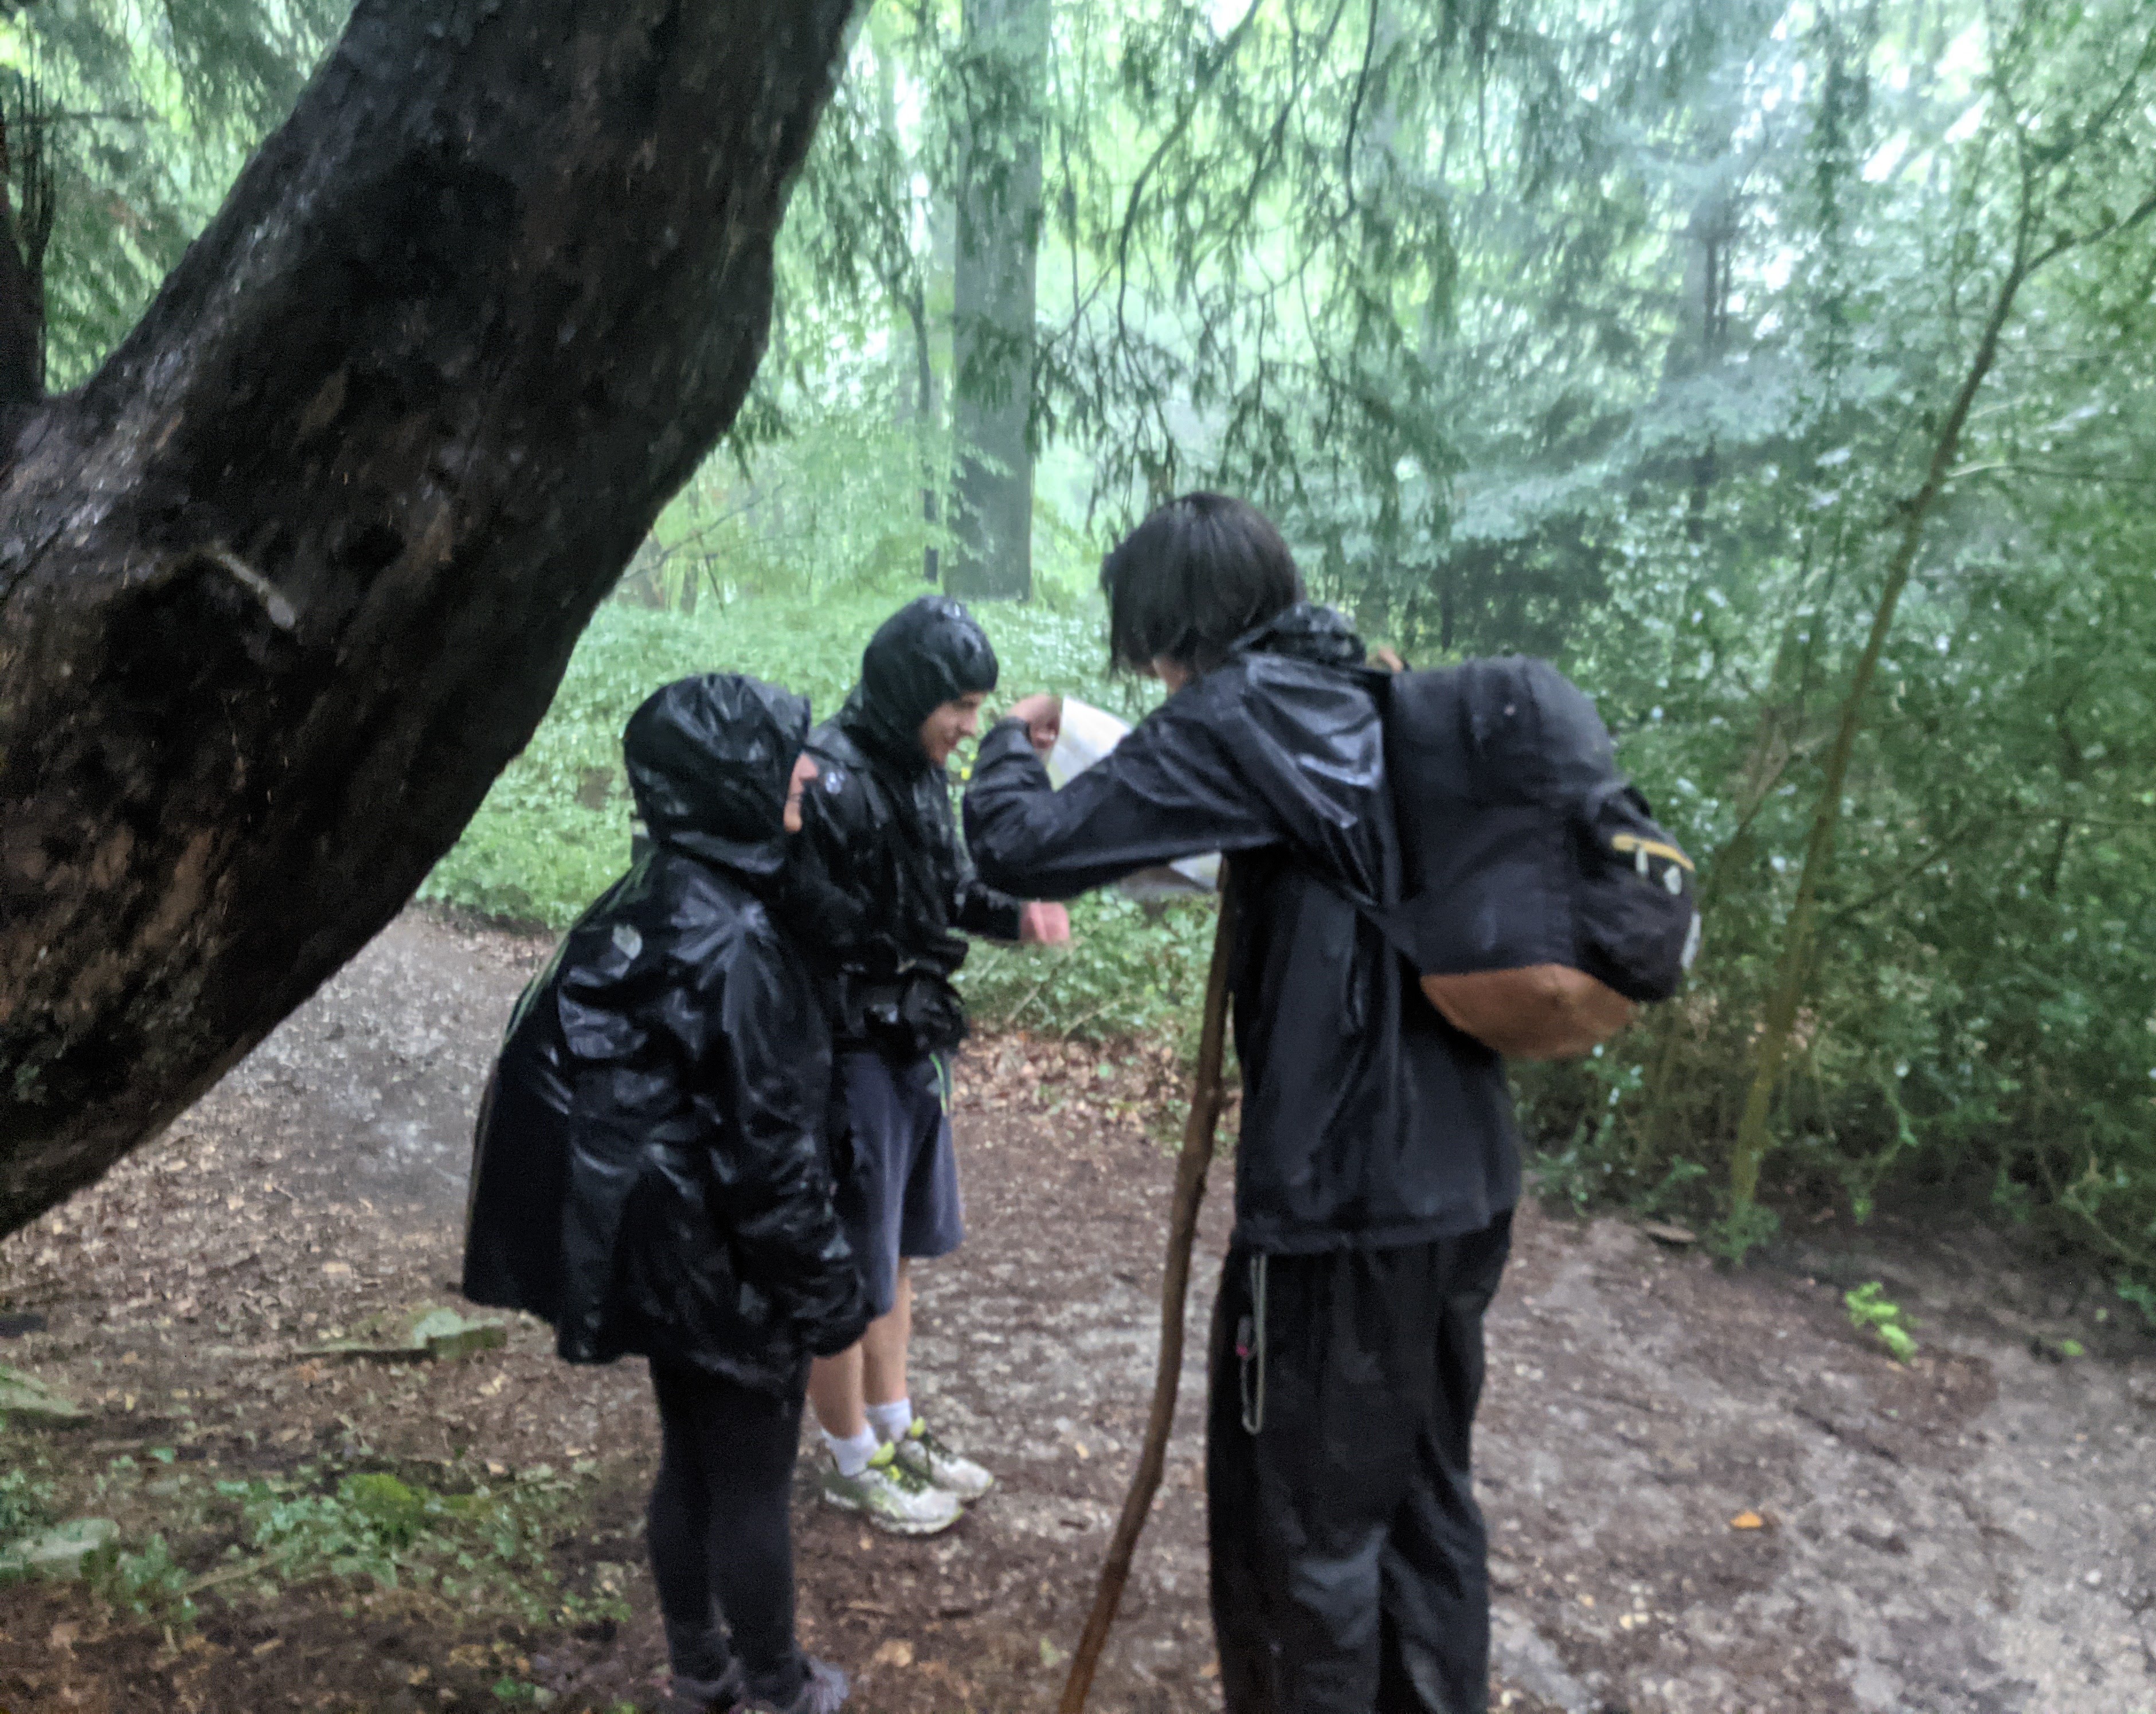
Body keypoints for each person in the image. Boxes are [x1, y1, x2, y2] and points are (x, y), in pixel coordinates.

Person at [961, 495, 1523, 1714]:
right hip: (1468, 1177)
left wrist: (1011, 739)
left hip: (1338, 1198)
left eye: (1152, 652)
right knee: (1427, 1503)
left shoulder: (1237, 714)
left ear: (1173, 633)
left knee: (1306, 1534)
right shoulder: (1377, 696)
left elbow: (1021, 846)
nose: (1154, 679)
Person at [463, 674, 869, 1714]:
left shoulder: (652, 894)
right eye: (785, 754)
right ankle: (777, 1687)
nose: (808, 770)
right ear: (732, 779)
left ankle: (702, 1672)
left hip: (665, 1261)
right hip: (724, 1265)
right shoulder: (736, 939)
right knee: (748, 1481)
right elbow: (769, 1152)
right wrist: (828, 1294)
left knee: (689, 1461)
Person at [797, 595, 1069, 1535]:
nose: (967, 725)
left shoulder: (919, 775)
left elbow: (947, 890)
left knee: (899, 1248)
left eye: (977, 707)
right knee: (847, 1259)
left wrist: (1018, 917)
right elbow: (806, 931)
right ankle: (849, 1459)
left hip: (913, 1045)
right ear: (912, 691)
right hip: (849, 1055)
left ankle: (893, 1425)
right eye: (958, 706)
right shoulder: (828, 777)